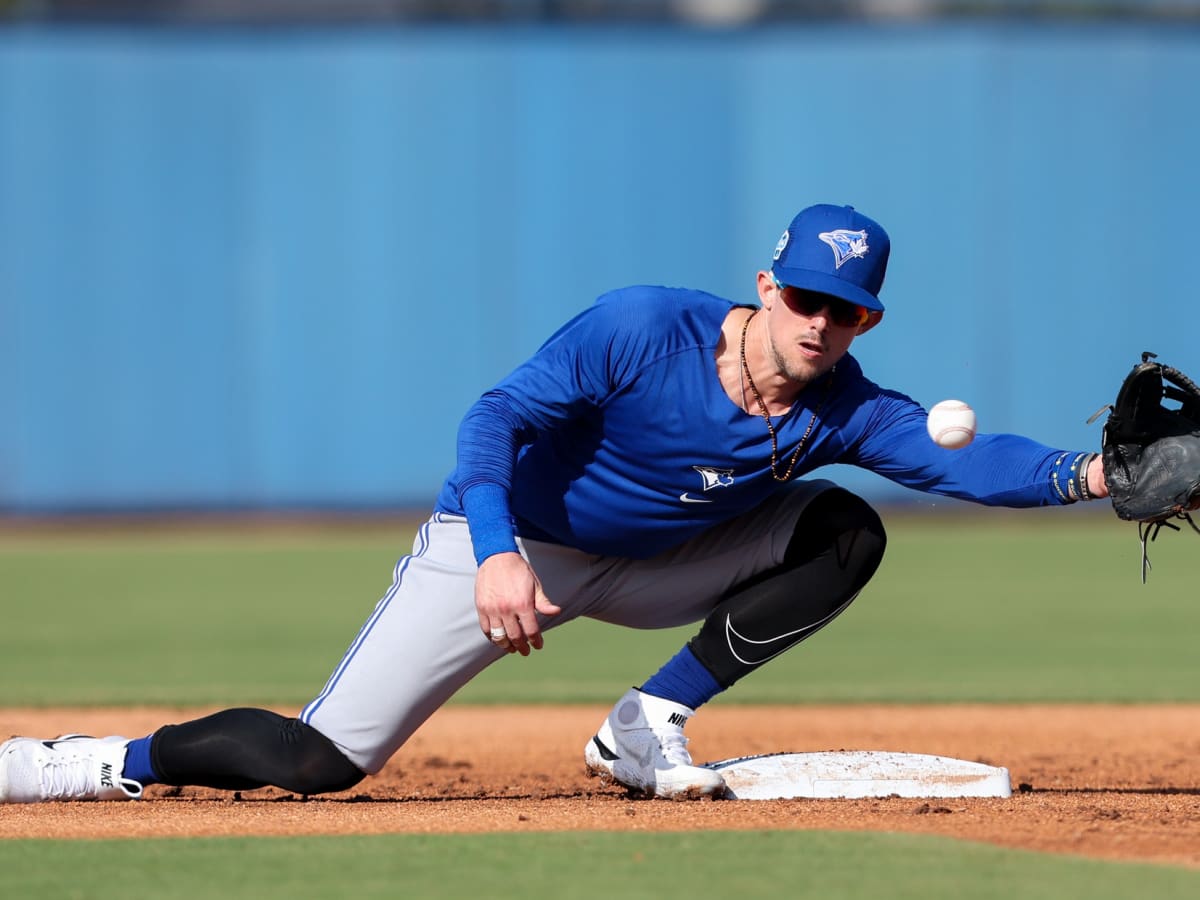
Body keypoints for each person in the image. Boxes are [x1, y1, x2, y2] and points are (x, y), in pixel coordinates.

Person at [0, 203, 1110, 803]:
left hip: (663, 567)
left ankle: (648, 720)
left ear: (867, 322)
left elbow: (966, 463)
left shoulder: (843, 405)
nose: (823, 324)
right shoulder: (642, 329)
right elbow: (495, 418)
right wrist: (492, 552)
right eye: (808, 297)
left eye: (849, 310)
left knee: (848, 529)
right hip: (513, 545)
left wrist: (1096, 476)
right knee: (319, 762)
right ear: (766, 286)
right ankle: (94, 761)